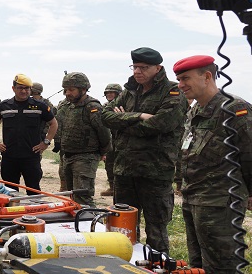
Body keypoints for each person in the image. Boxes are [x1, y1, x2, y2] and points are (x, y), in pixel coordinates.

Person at [101, 47, 187, 254]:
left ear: (158, 68)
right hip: (124, 169)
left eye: (143, 67)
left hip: (155, 171)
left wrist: (122, 120)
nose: (137, 71)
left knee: (156, 228)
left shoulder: (173, 92)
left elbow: (160, 124)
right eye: (135, 67)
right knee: (123, 227)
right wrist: (138, 116)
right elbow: (105, 116)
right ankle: (125, 264)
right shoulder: (129, 92)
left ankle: (158, 265)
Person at [173, 55, 252, 273]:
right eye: (179, 79)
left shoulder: (235, 109)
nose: (180, 85)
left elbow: (249, 154)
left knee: (222, 266)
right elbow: (186, 149)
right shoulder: (195, 110)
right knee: (197, 265)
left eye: (185, 78)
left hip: (220, 203)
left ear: (207, 76)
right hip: (193, 199)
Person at [0, 74, 58, 195]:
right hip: (10, 155)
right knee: (10, 190)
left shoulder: (39, 106)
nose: (24, 91)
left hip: (31, 155)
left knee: (33, 189)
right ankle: (13, 214)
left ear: (30, 90)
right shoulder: (4, 106)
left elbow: (54, 123)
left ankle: (35, 211)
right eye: (20, 88)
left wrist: (46, 142)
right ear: (13, 88)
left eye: (27, 88)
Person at [54, 73, 111, 207]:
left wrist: (102, 152)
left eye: (72, 90)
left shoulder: (92, 107)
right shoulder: (68, 106)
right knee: (71, 198)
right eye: (66, 90)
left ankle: (90, 222)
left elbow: (104, 133)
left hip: (86, 158)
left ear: (83, 89)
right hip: (68, 156)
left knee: (83, 199)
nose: (68, 93)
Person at [100, 83, 123, 197]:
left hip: (120, 139)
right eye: (107, 92)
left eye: (112, 92)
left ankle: (119, 188)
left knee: (120, 165)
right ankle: (112, 187)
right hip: (109, 139)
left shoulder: (122, 106)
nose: (109, 94)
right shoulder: (104, 107)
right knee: (109, 164)